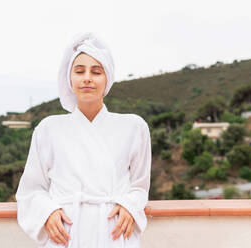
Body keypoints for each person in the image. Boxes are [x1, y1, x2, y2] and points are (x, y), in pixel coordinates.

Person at [15, 32, 152, 248]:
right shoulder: (48, 129)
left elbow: (140, 186)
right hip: (66, 234)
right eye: (80, 71)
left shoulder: (134, 127)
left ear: (108, 79)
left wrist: (129, 205)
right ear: (69, 78)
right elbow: (31, 189)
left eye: (96, 72)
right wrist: (47, 212)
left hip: (113, 233)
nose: (87, 77)